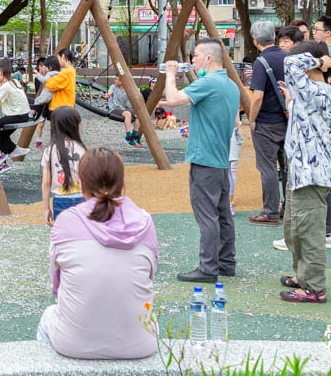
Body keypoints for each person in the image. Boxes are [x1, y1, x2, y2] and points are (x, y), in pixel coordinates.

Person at [37, 147, 158, 359]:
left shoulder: (66, 221)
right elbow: (148, 277)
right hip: (139, 343)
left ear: (81, 183)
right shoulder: (144, 222)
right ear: (122, 183)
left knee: (48, 316)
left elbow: (57, 286)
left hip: (73, 343)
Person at [161, 39, 239, 283]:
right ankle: (226, 262)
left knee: (207, 214)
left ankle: (207, 267)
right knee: (223, 213)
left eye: (195, 55)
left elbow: (173, 99)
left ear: (208, 59)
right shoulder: (231, 86)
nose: (192, 60)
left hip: (204, 156)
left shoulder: (208, 82)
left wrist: (170, 74)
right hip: (221, 156)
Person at [277, 42, 331, 304]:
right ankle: (303, 276)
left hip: (311, 173)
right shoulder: (311, 92)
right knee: (294, 228)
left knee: (308, 232)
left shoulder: (314, 88)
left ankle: (314, 288)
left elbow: (290, 64)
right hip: (303, 170)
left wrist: (323, 61)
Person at [248, 20, 288, 226]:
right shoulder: (288, 57)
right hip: (288, 119)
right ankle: (288, 207)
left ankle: (270, 211)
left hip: (266, 122)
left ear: (255, 40)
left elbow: (257, 97)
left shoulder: (261, 62)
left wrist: (251, 119)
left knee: (268, 168)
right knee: (287, 166)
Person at [41, 106, 87, 224]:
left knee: (62, 234)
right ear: (75, 126)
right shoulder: (82, 150)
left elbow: (46, 182)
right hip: (81, 197)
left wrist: (46, 208)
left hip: (60, 199)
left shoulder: (50, 150)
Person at [101, 76, 142, 148]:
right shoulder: (113, 87)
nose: (116, 81)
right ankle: (128, 137)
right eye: (115, 79)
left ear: (124, 81)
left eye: (119, 80)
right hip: (114, 108)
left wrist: (136, 92)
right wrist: (107, 95)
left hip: (125, 108)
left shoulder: (128, 89)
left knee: (139, 113)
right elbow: (109, 93)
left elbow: (135, 98)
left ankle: (134, 135)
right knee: (127, 114)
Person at [31, 56, 59, 147]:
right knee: (41, 123)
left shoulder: (50, 74)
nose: (44, 69)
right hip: (48, 100)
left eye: (45, 67)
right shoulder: (59, 73)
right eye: (42, 67)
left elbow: (44, 81)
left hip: (47, 100)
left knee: (37, 102)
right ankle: (40, 140)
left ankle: (52, 140)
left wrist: (37, 74)